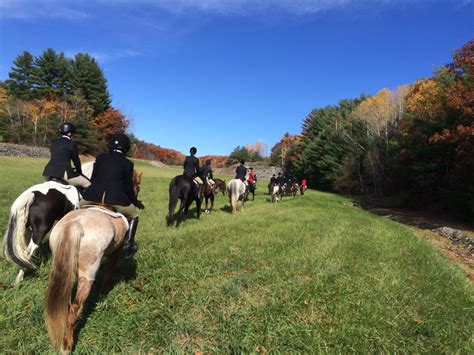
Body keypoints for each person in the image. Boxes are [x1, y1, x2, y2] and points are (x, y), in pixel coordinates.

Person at [81, 133, 145, 258]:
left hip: (91, 196)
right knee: (134, 216)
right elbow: (128, 187)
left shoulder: (100, 158)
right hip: (115, 199)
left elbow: (93, 179)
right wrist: (136, 202)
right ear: (126, 148)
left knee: (75, 209)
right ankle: (128, 244)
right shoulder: (128, 164)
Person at [43, 122, 91, 192]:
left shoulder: (54, 142)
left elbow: (59, 157)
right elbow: (76, 161)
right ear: (69, 133)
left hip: (48, 172)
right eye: (73, 133)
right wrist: (79, 171)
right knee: (88, 184)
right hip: (63, 173)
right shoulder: (71, 144)